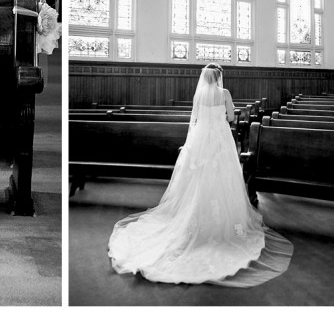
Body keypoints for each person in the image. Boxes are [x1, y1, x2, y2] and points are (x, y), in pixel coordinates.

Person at [107, 64, 294, 287]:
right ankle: (220, 222)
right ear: (219, 77)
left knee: (197, 179)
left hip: (200, 138)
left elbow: (194, 120)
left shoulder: (199, 95)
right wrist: (223, 115)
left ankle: (194, 218)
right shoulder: (223, 93)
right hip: (220, 139)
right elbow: (232, 116)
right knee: (222, 177)